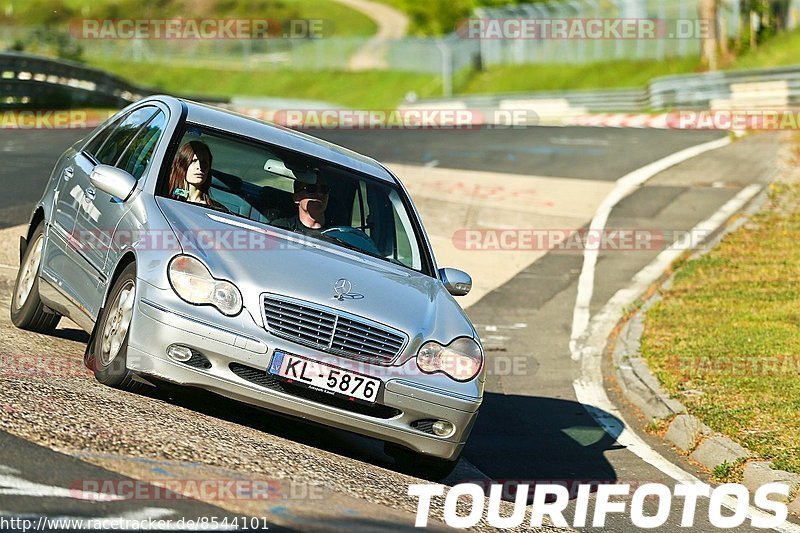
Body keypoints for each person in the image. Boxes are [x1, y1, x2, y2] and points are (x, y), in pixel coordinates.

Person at [168, 141, 227, 211]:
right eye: (194, 161)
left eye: (204, 163)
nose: (199, 167)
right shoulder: (164, 198)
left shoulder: (216, 210)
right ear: (182, 165)